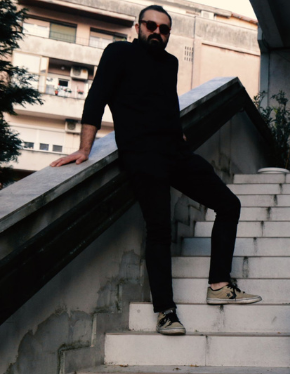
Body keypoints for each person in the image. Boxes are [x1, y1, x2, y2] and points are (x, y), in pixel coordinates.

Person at [50, 5, 261, 335]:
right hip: (141, 155)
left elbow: (166, 101)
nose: (157, 33)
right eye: (151, 25)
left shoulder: (170, 63)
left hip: (175, 152)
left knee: (229, 204)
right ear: (138, 27)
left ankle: (219, 285)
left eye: (164, 29)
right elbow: (96, 98)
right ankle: (166, 312)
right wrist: (84, 149)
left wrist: (177, 131)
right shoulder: (118, 53)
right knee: (159, 229)